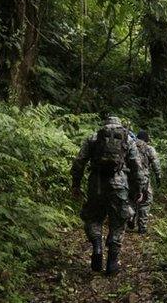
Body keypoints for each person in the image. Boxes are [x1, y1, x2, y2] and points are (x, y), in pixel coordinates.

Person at [71, 116, 147, 275]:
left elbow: (79, 162)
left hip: (96, 184)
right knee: (118, 221)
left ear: (104, 125)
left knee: (93, 218)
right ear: (119, 125)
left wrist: (76, 184)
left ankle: (97, 246)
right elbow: (136, 167)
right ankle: (112, 261)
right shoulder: (127, 139)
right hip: (119, 185)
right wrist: (139, 189)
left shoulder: (93, 137)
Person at [128, 130, 161, 234]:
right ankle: (142, 227)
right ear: (146, 139)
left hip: (129, 178)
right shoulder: (149, 148)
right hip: (144, 179)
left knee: (131, 199)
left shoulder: (129, 145)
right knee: (145, 202)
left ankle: (130, 217)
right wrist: (158, 176)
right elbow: (156, 163)